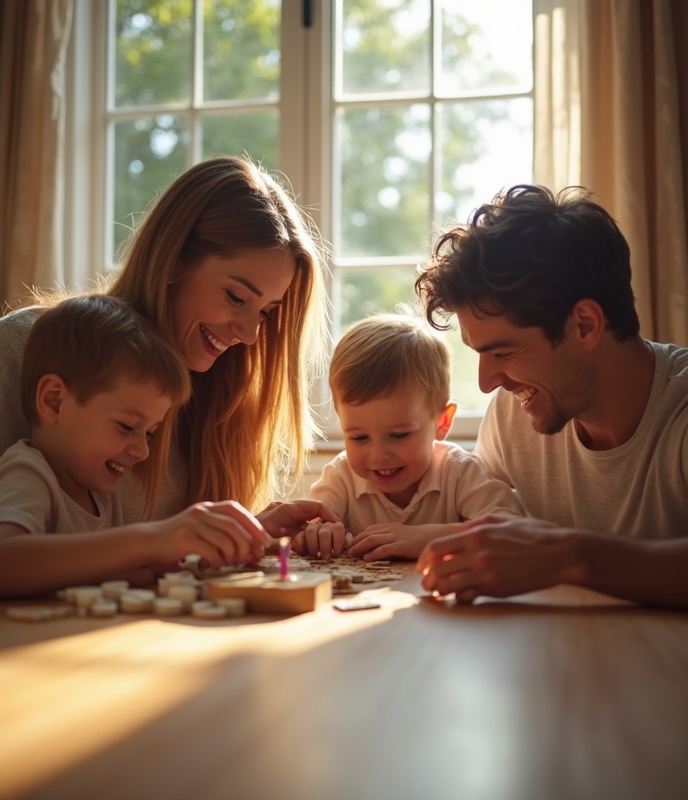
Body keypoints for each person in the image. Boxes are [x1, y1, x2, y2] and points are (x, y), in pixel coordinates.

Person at [0, 155, 339, 548]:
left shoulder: (223, 402)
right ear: (174, 261)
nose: (249, 335)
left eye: (265, 312)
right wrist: (159, 540)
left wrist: (245, 531)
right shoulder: (23, 348)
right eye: (235, 296)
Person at [414, 184, 688, 609]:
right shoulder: (512, 415)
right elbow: (473, 528)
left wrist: (570, 556)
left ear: (584, 324)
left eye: (502, 352)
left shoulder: (680, 410)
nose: (487, 383)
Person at [0, 294, 281, 598]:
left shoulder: (98, 494)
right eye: (126, 427)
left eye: (149, 433)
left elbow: (114, 571)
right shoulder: (29, 472)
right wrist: (150, 539)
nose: (142, 451)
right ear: (54, 400)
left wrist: (239, 538)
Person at [293, 313, 522, 560]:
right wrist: (318, 533)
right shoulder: (340, 477)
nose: (378, 455)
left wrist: (425, 538)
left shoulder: (460, 472)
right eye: (359, 437)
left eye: (398, 435)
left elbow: (511, 532)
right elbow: (311, 527)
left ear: (442, 422)